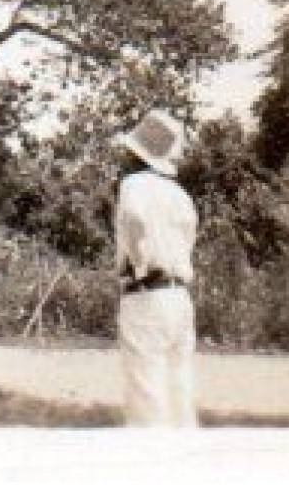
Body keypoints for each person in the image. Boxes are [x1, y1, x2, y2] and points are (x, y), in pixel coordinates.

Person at [112, 108, 199, 428]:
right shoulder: (180, 194)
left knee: (146, 396)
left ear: (137, 153)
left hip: (146, 293)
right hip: (179, 296)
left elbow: (135, 218)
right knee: (180, 392)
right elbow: (188, 239)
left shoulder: (134, 184)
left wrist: (139, 261)